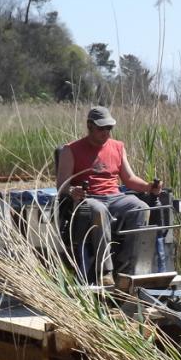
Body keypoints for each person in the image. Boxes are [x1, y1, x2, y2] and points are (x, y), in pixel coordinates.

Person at [55, 106, 163, 280]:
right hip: (88, 198)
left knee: (140, 207)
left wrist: (148, 187)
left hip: (114, 196)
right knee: (99, 211)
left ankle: (128, 267)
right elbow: (61, 185)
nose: (106, 132)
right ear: (89, 126)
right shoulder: (70, 150)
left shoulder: (118, 147)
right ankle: (105, 271)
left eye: (109, 128)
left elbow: (129, 179)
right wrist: (71, 190)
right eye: (101, 128)